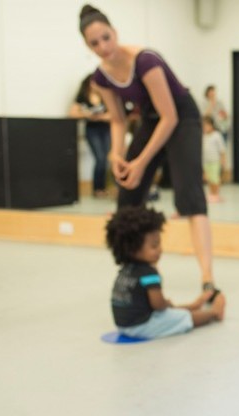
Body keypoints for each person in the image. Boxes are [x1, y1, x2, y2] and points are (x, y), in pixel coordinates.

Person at [79, 5, 217, 291]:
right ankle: (134, 269)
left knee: (190, 195)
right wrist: (116, 154)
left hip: (181, 116)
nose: (103, 47)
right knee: (127, 196)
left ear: (114, 32)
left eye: (106, 38)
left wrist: (141, 162)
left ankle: (207, 279)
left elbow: (170, 117)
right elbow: (117, 120)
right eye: (94, 43)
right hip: (151, 120)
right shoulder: (101, 78)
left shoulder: (145, 60)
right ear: (87, 45)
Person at [106, 206, 225, 339]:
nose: (160, 250)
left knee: (169, 312)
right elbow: (159, 306)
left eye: (159, 244)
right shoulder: (149, 273)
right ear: (133, 249)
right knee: (182, 317)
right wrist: (166, 303)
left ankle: (194, 305)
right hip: (141, 327)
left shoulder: (126, 269)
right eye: (154, 246)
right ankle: (214, 313)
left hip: (123, 326)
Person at [68, 74, 111, 198]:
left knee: (106, 159)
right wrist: (87, 115)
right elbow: (72, 113)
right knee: (100, 158)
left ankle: (103, 187)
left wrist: (101, 117)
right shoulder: (83, 96)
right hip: (92, 130)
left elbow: (115, 115)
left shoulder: (106, 96)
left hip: (105, 129)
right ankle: (97, 188)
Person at [201, 115, 226, 203]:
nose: (205, 127)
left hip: (215, 161)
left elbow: (222, 150)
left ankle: (216, 194)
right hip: (205, 162)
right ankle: (212, 194)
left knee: (215, 178)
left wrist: (223, 161)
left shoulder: (217, 135)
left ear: (212, 125)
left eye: (207, 125)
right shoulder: (203, 136)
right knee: (209, 178)